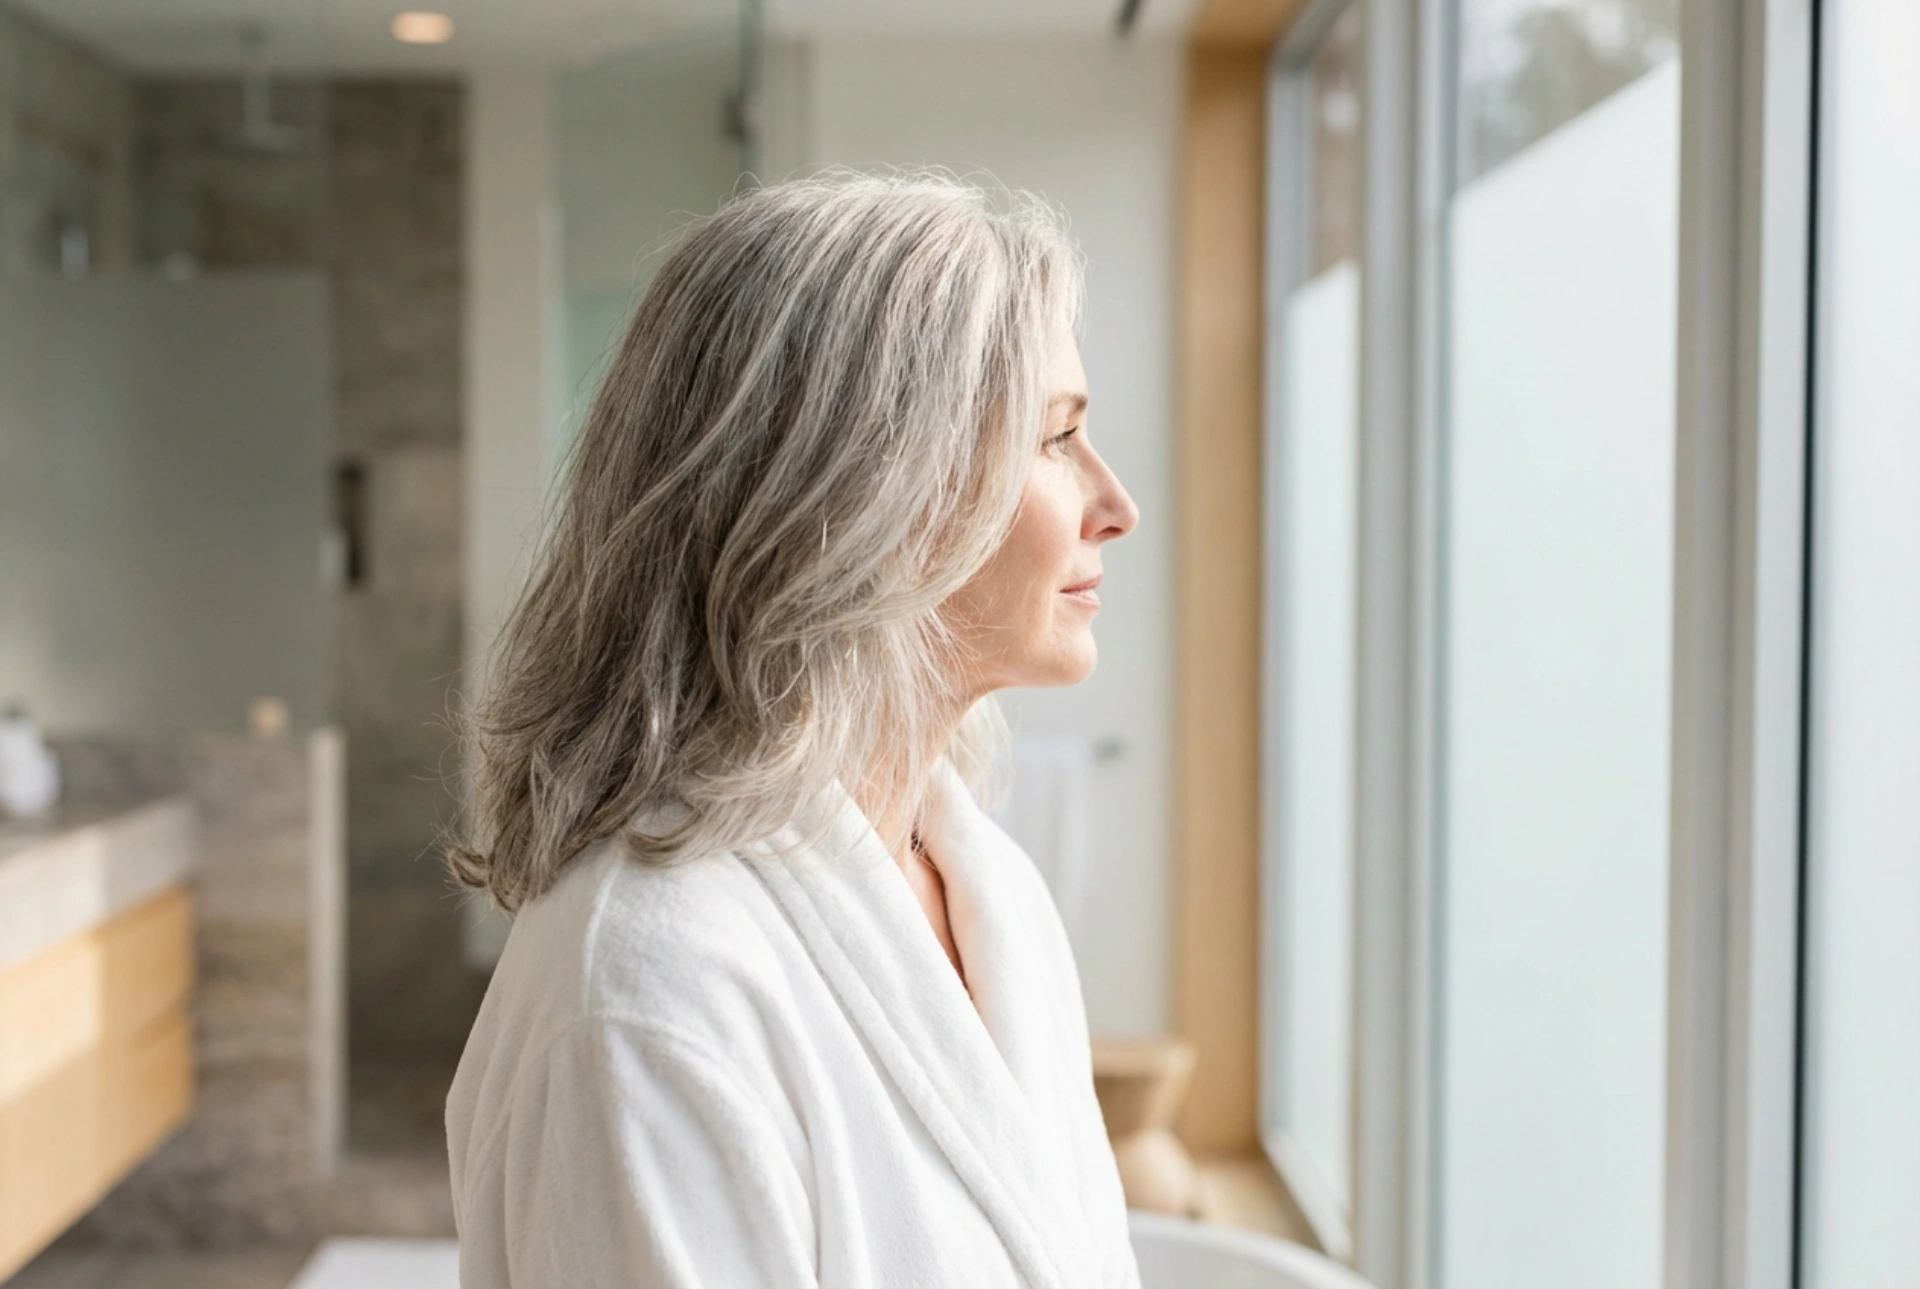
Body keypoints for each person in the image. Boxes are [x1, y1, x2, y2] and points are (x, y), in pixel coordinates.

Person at [443, 168, 1142, 1288]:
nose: (1116, 505)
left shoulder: (990, 890)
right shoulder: (651, 989)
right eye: (1056, 440)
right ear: (871, 493)